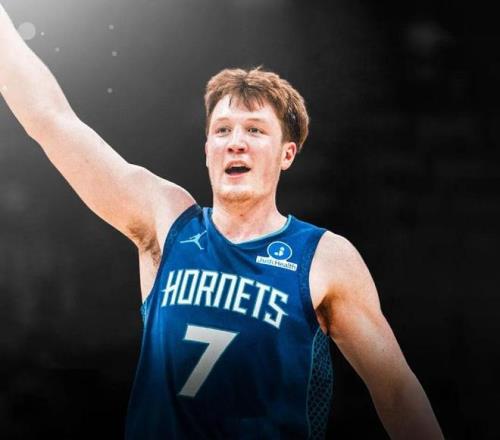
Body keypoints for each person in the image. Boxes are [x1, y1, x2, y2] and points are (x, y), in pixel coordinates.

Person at [0, 4, 444, 439]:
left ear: (287, 154)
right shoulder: (167, 219)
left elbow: (396, 392)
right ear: (207, 149)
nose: (236, 142)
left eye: (255, 130)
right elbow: (52, 120)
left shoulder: (325, 257)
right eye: (223, 129)